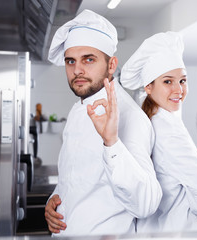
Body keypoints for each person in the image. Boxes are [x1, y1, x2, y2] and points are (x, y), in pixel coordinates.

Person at [44, 9, 162, 236]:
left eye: (88, 59)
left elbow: (146, 203)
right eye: (70, 61)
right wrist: (55, 201)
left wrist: (112, 142)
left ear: (111, 65)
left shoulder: (130, 116)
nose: (77, 70)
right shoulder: (79, 107)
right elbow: (76, 177)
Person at [120, 31, 197, 233]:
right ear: (148, 87)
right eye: (168, 81)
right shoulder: (168, 130)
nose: (179, 89)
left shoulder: (149, 120)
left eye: (183, 80)